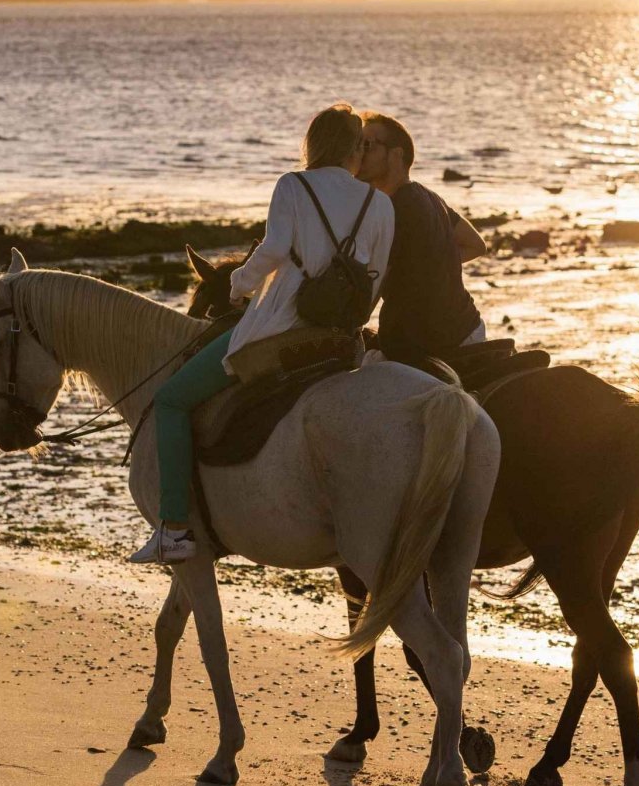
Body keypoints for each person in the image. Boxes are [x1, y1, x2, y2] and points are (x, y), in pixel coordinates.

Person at [129, 104, 395, 564]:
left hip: (280, 333)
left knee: (172, 400)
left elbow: (271, 251)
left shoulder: (292, 185)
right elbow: (378, 278)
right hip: (342, 340)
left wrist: (237, 287)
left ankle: (173, 529)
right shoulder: (381, 204)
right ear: (357, 148)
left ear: (313, 144)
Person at [355, 111, 487, 364]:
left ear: (397, 154)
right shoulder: (430, 197)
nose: (359, 153)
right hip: (469, 329)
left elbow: (372, 289)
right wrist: (431, 266)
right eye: (357, 146)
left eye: (368, 145)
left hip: (428, 343)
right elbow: (475, 245)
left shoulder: (391, 210)